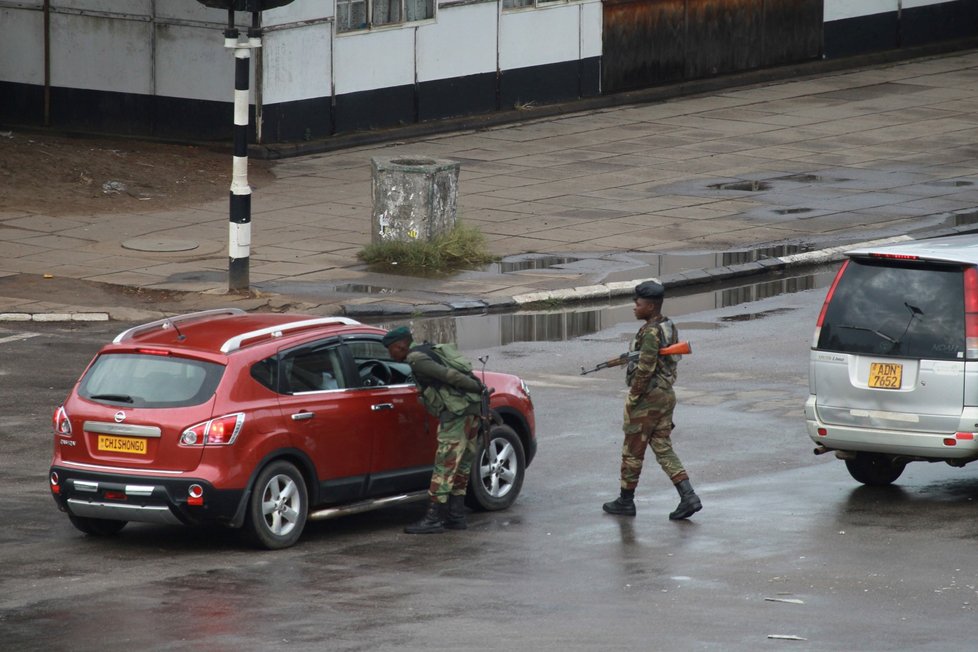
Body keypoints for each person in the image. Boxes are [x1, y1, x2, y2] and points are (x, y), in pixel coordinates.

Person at [603, 281, 702, 520]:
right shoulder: (667, 325)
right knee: (662, 447)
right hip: (666, 394)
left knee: (632, 450)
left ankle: (626, 501)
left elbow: (645, 368)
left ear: (650, 306)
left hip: (649, 397)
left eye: (637, 304)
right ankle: (688, 496)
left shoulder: (650, 332)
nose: (634, 307)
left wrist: (635, 396)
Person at [382, 326, 485, 534]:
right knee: (462, 465)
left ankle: (434, 519)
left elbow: (449, 375)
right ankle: (456, 516)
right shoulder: (427, 350)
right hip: (469, 411)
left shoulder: (416, 359)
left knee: (445, 466)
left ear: (400, 345)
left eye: (390, 349)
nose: (389, 354)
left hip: (456, 415)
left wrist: (478, 388)